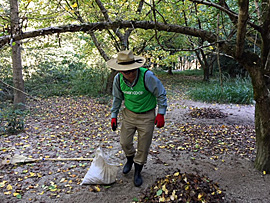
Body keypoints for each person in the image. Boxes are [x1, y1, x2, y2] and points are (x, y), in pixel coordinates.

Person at [107, 50, 167, 187]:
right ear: (120, 71)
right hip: (129, 114)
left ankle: (138, 170)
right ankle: (129, 159)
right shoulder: (118, 79)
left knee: (143, 145)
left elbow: (161, 94)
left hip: (146, 116)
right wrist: (113, 116)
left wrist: (161, 113)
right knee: (124, 142)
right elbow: (117, 98)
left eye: (133, 70)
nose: (131, 74)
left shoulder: (147, 76)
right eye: (126, 71)